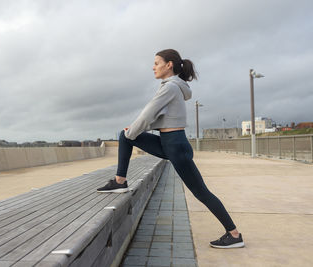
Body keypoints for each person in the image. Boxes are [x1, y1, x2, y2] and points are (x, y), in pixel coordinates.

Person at [97, 49, 244, 249]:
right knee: (125, 136)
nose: (153, 67)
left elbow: (148, 113)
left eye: (156, 63)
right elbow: (158, 117)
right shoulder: (172, 87)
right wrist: (132, 132)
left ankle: (234, 234)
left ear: (169, 65)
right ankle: (120, 181)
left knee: (201, 192)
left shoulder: (170, 88)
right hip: (168, 142)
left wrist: (133, 131)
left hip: (176, 145)